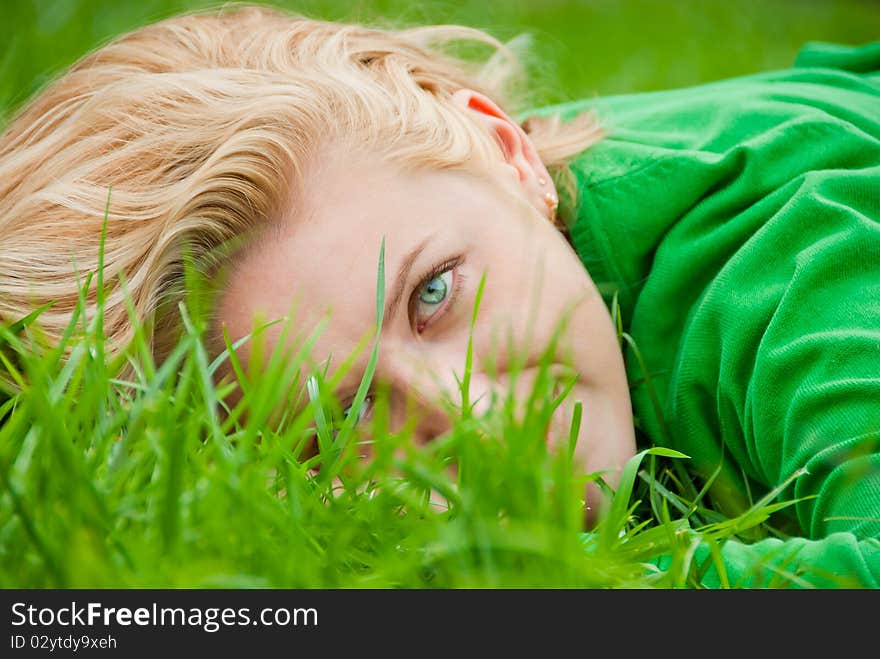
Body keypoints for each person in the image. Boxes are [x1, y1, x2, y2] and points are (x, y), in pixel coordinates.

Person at [0, 3, 877, 587]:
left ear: (507, 151)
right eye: (337, 426)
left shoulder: (788, 253)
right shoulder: (442, 200)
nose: (469, 420)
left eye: (435, 294)